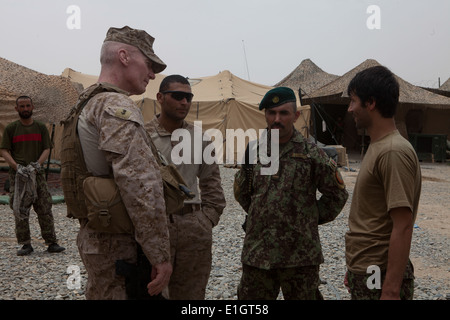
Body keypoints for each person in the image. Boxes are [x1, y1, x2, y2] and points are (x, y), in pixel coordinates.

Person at [66, 26, 171, 299]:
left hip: (99, 240)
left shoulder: (85, 103)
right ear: (124, 56)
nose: (152, 74)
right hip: (123, 249)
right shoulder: (114, 106)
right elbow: (139, 183)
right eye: (148, 64)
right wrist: (159, 254)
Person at [234, 87, 348, 300]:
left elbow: (337, 195)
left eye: (284, 113)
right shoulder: (253, 151)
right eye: (271, 113)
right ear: (265, 115)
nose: (277, 119)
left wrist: (309, 217)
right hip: (258, 254)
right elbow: (243, 192)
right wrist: (262, 214)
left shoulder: (311, 152)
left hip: (300, 256)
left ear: (295, 116)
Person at [144, 75, 226, 299]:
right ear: (160, 97)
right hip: (155, 228)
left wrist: (205, 221)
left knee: (192, 296)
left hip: (193, 229)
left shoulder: (200, 139)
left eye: (188, 97)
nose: (184, 102)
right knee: (153, 292)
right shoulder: (142, 136)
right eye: (177, 96)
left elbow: (213, 186)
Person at [344, 65, 422, 300]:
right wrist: (356, 269)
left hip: (379, 273)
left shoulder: (392, 151)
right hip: (369, 270)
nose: (350, 109)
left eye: (353, 101)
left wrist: (389, 289)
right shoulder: (379, 146)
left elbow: (403, 225)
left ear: (371, 103)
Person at [0, 96, 65, 256]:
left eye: (28, 106)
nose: (25, 109)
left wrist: (37, 165)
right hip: (19, 176)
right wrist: (17, 167)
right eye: (22, 106)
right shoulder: (11, 129)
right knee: (20, 210)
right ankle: (25, 244)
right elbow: (4, 150)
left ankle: (51, 242)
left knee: (44, 207)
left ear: (32, 107)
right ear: (16, 109)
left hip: (38, 175)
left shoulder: (41, 128)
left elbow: (47, 148)